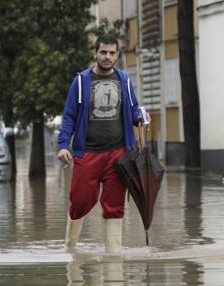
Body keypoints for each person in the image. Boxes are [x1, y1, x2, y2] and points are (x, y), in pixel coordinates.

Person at [57, 33, 147, 254]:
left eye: (112, 53)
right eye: (103, 52)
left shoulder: (125, 81)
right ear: (95, 53)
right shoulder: (80, 82)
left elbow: (133, 108)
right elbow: (69, 116)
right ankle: (70, 249)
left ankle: (114, 258)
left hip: (118, 154)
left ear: (117, 55)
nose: (107, 57)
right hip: (87, 153)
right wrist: (62, 145)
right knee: (80, 201)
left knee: (115, 206)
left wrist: (140, 117)